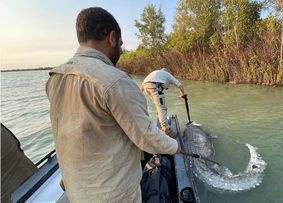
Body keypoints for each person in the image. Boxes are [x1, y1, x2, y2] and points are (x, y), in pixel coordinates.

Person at [45, 7, 179, 203]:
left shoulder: (55, 78)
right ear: (112, 38)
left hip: (76, 192)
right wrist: (176, 147)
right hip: (114, 196)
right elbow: (148, 137)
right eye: (121, 43)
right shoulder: (116, 81)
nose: (121, 48)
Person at [141, 68, 185, 135]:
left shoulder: (155, 72)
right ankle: (166, 130)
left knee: (158, 106)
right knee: (162, 108)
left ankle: (160, 121)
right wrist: (182, 94)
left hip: (146, 87)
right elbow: (180, 85)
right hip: (155, 87)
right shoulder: (168, 74)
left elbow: (142, 87)